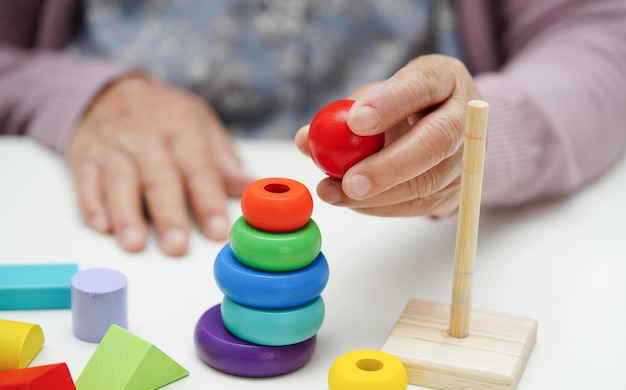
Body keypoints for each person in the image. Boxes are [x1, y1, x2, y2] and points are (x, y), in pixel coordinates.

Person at [1, 1, 625, 257]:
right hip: (99, 212)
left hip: (416, 244)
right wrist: (83, 95)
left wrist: (479, 130)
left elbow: (600, 36)